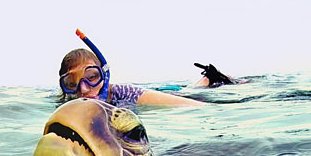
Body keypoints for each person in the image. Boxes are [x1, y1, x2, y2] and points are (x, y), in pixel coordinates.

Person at [59, 30, 203, 107]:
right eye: (72, 84)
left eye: (91, 77)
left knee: (188, 92)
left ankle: (206, 80)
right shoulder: (65, 99)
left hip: (165, 92)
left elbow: (194, 105)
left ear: (104, 74)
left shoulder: (125, 93)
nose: (84, 89)